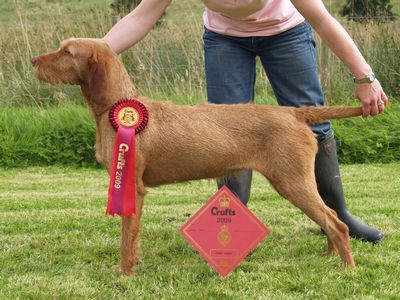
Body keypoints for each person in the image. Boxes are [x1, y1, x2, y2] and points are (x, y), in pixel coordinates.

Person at [104, 0, 388, 243]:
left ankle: (338, 214)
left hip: (285, 32)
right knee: (223, 131)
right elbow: (141, 17)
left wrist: (364, 76)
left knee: (314, 121)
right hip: (224, 38)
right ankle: (232, 226)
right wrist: (94, 53)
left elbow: (323, 20)